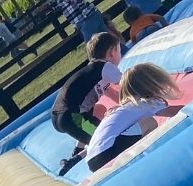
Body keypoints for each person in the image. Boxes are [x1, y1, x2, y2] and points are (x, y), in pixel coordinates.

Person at [51, 32, 123, 175]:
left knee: (100, 109)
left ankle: (76, 152)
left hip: (60, 117)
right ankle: (75, 159)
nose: (120, 54)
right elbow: (130, 85)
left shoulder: (93, 71)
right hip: (71, 117)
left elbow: (116, 95)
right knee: (105, 139)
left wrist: (124, 105)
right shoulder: (107, 67)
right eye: (119, 50)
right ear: (112, 52)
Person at [86, 62, 178, 171]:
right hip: (107, 154)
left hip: (92, 160)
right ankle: (146, 158)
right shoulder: (143, 103)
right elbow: (174, 111)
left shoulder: (125, 107)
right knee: (150, 122)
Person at [51, 0, 122, 43]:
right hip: (90, 14)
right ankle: (124, 52)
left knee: (93, 48)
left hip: (85, 18)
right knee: (109, 39)